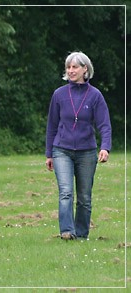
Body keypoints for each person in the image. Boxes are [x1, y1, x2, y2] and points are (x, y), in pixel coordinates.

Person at [45, 51, 112, 240]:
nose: (71, 70)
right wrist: (49, 153)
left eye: (75, 67)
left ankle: (82, 235)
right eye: (68, 67)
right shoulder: (59, 94)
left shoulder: (95, 96)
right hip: (61, 150)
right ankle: (67, 231)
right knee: (66, 192)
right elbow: (51, 126)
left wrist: (105, 147)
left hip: (87, 152)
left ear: (85, 69)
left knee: (84, 198)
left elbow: (104, 124)